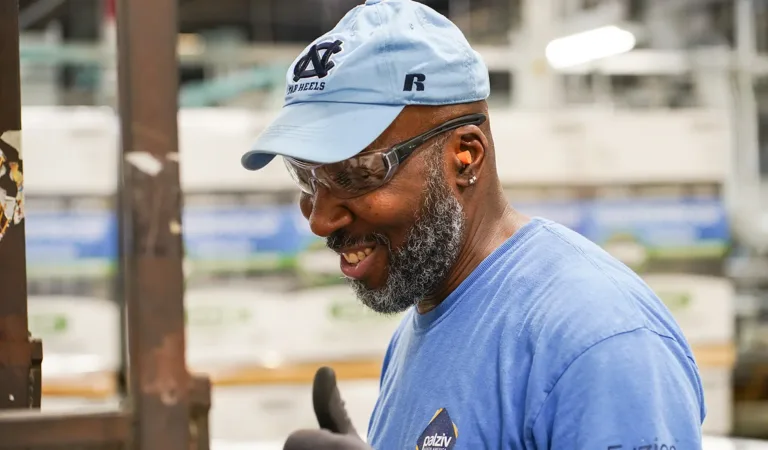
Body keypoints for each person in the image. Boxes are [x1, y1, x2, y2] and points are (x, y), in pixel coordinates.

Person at [240, 0, 706, 448]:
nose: (320, 220)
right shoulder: (421, 332)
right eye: (306, 177)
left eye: (357, 172)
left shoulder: (596, 338)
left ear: (466, 156)